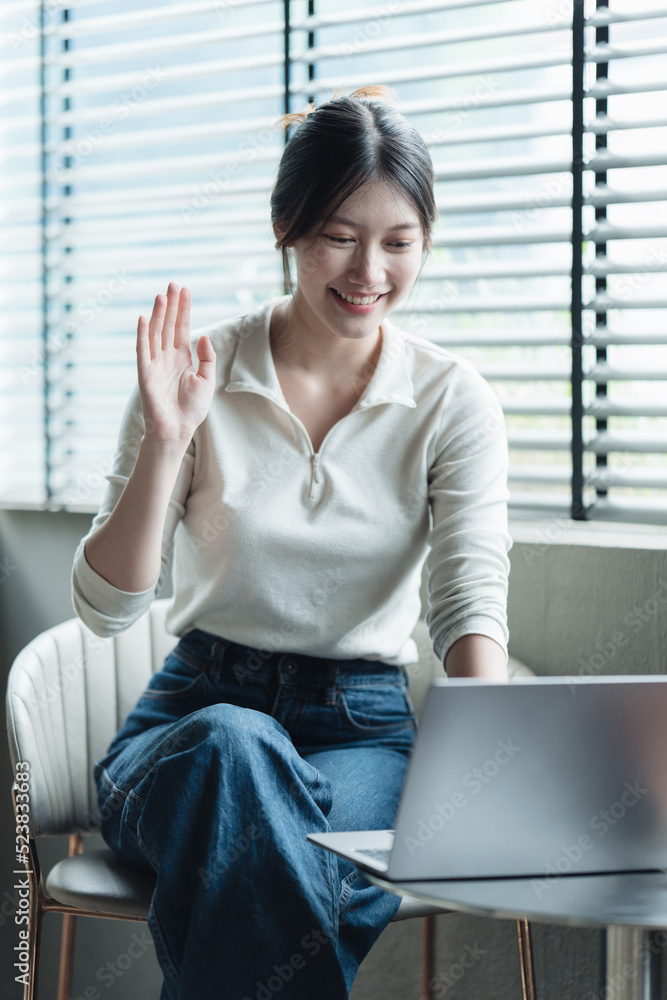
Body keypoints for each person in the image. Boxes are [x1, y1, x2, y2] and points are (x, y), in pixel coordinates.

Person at [71, 84, 511, 1000]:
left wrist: (495, 759)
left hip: (363, 730)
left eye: (398, 242)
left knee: (262, 873)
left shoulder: (451, 399)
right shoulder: (195, 373)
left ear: (425, 241)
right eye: (339, 236)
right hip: (194, 718)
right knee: (239, 751)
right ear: (287, 225)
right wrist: (166, 439)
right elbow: (108, 607)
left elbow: (467, 601)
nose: (368, 271)